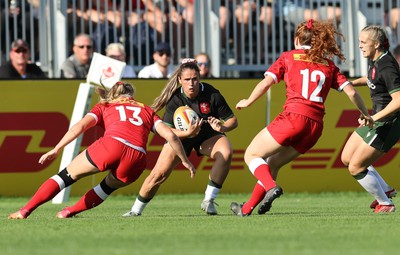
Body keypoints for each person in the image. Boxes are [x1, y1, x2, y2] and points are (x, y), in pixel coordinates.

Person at [230, 19, 373, 216]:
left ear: (297, 39)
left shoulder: (288, 57)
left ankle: (271, 187)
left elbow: (265, 84)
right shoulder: (328, 65)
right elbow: (351, 93)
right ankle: (246, 209)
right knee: (272, 164)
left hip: (293, 117)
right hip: (314, 127)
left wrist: (248, 101)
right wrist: (365, 114)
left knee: (252, 155)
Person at [8, 81, 195, 219]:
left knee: (65, 177)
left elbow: (79, 127)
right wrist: (186, 160)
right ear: (132, 95)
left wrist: (56, 148)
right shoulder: (146, 110)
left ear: (114, 94)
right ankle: (69, 211)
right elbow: (170, 136)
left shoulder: (105, 105)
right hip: (137, 156)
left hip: (112, 145)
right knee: (106, 187)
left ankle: (25, 210)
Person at [123, 58, 238, 216]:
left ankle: (209, 201)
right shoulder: (175, 100)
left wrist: (222, 127)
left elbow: (233, 120)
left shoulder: (212, 94)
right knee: (159, 174)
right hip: (180, 139)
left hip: (206, 135)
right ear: (179, 80)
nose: (191, 84)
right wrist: (187, 133)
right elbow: (166, 131)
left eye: (195, 79)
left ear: (200, 78)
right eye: (187, 80)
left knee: (226, 153)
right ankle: (135, 211)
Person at [341, 25, 400, 213]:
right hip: (376, 119)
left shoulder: (387, 65)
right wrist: (345, 83)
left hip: (388, 123)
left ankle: (385, 203)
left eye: (363, 42)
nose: (359, 46)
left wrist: (374, 117)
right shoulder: (375, 60)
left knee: (356, 167)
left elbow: (399, 100)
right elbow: (371, 78)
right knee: (346, 158)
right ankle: (386, 190)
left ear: (376, 44)